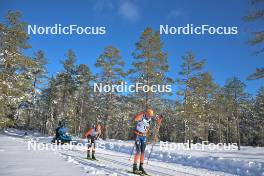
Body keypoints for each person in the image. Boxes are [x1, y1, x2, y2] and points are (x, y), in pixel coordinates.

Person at [132, 108, 163, 175]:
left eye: (151, 116)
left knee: (143, 152)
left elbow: (157, 121)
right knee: (138, 151)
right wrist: (141, 113)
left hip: (144, 136)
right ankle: (134, 167)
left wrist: (159, 120)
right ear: (146, 114)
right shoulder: (141, 117)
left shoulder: (150, 118)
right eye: (149, 115)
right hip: (137, 135)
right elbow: (135, 119)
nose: (149, 117)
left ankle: (141, 167)